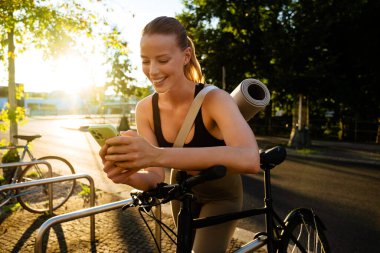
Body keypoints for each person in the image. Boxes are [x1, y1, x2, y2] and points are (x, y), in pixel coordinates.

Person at [100, 16, 260, 253]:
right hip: (181, 192)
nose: (152, 71)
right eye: (145, 61)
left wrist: (156, 155)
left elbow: (249, 159)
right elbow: (155, 179)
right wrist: (127, 175)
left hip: (221, 195)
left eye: (163, 60)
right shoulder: (145, 109)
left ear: (186, 56)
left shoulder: (215, 99)